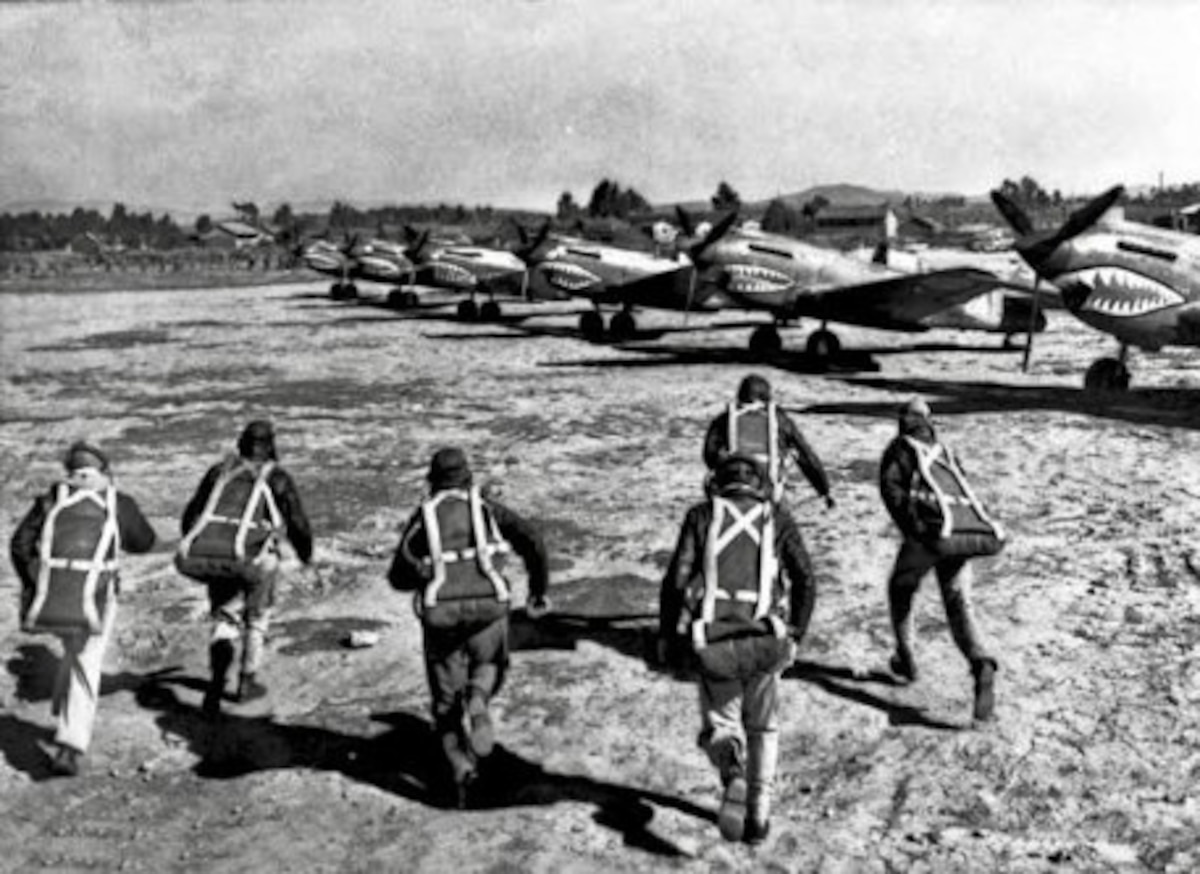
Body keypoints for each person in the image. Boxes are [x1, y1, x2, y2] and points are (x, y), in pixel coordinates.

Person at [659, 453, 817, 845]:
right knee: (764, 727)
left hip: (714, 641)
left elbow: (677, 579)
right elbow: (806, 578)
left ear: (716, 482)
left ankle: (732, 771)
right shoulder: (776, 516)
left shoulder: (700, 516)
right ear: (760, 484)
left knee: (721, 727)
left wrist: (669, 634)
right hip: (767, 639)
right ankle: (759, 817)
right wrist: (796, 633)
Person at [388, 447, 550, 808]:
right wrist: (538, 591)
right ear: (468, 477)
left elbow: (398, 575)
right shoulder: (487, 509)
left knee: (445, 704)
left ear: (432, 481)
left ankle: (460, 766)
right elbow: (533, 540)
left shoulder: (424, 516)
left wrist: (427, 574)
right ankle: (478, 699)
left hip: (442, 617)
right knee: (490, 664)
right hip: (488, 610)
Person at [9, 441, 158, 776]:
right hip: (97, 599)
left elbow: (19, 544)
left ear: (71, 473)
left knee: (74, 655)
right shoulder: (118, 503)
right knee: (86, 664)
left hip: (54, 598)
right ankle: (70, 745)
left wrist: (38, 583)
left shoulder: (51, 500)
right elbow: (145, 542)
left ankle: (66, 717)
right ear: (104, 471)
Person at [879, 398, 1003, 722]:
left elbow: (891, 491)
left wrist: (914, 531)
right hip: (958, 536)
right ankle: (980, 662)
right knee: (958, 601)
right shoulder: (944, 452)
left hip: (928, 536)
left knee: (901, 589)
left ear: (904, 420)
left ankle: (907, 659)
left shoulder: (900, 449)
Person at [177, 420, 313, 715]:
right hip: (254, 561)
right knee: (257, 619)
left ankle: (216, 680)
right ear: (271, 445)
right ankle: (245, 683)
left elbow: (191, 514)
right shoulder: (277, 478)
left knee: (225, 617)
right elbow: (298, 523)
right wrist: (306, 556)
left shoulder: (220, 472)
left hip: (221, 556)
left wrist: (206, 548)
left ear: (242, 443)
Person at [703, 373, 834, 509]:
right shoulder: (780, 420)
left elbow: (709, 454)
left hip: (732, 488)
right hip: (769, 488)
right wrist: (823, 489)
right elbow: (806, 457)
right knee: (783, 521)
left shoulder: (725, 419)